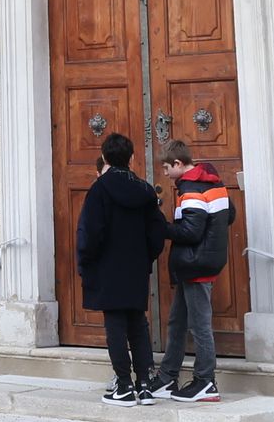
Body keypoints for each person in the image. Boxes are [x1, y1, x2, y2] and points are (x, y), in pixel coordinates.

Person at [71, 132, 168, 402]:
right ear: (132, 158)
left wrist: (87, 263)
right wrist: (146, 257)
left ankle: (124, 386)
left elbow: (90, 233)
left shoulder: (99, 190)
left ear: (104, 158)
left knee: (115, 325)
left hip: (107, 268)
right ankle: (145, 385)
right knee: (138, 323)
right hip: (136, 267)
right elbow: (157, 231)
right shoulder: (146, 190)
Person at [158, 155, 235, 401]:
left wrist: (162, 226)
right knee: (178, 321)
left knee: (199, 325)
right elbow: (229, 215)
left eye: (167, 168)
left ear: (178, 163)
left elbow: (190, 232)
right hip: (196, 263)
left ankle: (205, 381)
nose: (166, 173)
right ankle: (167, 377)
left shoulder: (191, 189)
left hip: (196, 264)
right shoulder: (215, 183)